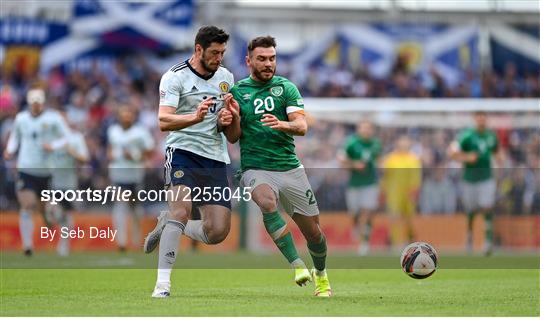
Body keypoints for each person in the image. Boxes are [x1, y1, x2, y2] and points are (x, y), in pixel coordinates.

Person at [230, 36, 332, 297]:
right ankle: (297, 265)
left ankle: (321, 275)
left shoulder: (286, 88)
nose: (268, 63)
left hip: (289, 168)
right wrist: (227, 119)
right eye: (262, 59)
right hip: (255, 167)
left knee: (314, 234)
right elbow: (232, 136)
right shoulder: (237, 92)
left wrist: (283, 123)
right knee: (266, 202)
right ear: (249, 60)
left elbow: (302, 126)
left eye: (272, 58)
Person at [143, 26, 239, 298]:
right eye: (214, 52)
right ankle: (162, 285)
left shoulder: (226, 78)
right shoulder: (175, 77)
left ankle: (167, 221)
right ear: (198, 49)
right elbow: (164, 121)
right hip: (182, 153)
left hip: (215, 158)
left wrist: (229, 120)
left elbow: (231, 136)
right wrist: (195, 118)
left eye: (222, 52)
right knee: (182, 211)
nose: (219, 58)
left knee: (217, 231)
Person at [3, 88, 70, 256]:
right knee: (27, 205)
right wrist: (10, 150)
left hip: (46, 171)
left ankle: (51, 222)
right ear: (29, 103)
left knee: (45, 211)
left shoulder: (53, 119)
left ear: (43, 103)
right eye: (33, 103)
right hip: (26, 168)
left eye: (38, 103)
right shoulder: (21, 119)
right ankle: (27, 245)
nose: (36, 106)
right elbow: (15, 138)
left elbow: (67, 137)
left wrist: (52, 146)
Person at [449, 111, 502, 255]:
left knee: (487, 207)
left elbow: (497, 153)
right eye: (479, 118)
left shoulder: (491, 136)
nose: (481, 121)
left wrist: (499, 163)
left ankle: (488, 242)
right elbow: (452, 153)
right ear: (475, 120)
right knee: (471, 210)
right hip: (469, 179)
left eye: (483, 118)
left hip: (486, 178)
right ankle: (469, 238)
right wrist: (467, 157)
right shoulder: (466, 136)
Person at [107, 105, 154, 252]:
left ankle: (136, 239)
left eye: (129, 114)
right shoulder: (113, 130)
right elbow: (110, 149)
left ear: (133, 116)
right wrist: (111, 156)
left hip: (135, 176)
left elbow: (150, 151)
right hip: (118, 175)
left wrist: (135, 156)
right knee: (120, 206)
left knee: (135, 209)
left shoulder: (140, 133)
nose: (126, 117)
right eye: (123, 113)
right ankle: (121, 242)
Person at [50, 111, 90, 256]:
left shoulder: (76, 138)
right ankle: (62, 233)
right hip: (50, 180)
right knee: (52, 212)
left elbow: (84, 158)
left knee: (64, 213)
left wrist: (71, 152)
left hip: (68, 183)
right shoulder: (50, 138)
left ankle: (64, 243)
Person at [339, 120, 381, 255]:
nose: (366, 131)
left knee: (368, 212)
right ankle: (356, 225)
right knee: (355, 212)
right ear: (359, 129)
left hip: (370, 183)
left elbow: (379, 159)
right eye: (364, 128)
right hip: (354, 184)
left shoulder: (375, 144)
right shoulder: (351, 143)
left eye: (369, 128)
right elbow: (341, 160)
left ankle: (365, 243)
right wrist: (354, 164)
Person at [381, 136, 422, 248]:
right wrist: (383, 190)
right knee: (394, 217)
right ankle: (396, 243)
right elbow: (385, 176)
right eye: (401, 143)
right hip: (393, 193)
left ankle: (410, 242)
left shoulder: (413, 159)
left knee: (409, 219)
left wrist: (415, 191)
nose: (404, 145)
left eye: (406, 143)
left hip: (409, 193)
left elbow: (416, 177)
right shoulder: (391, 159)